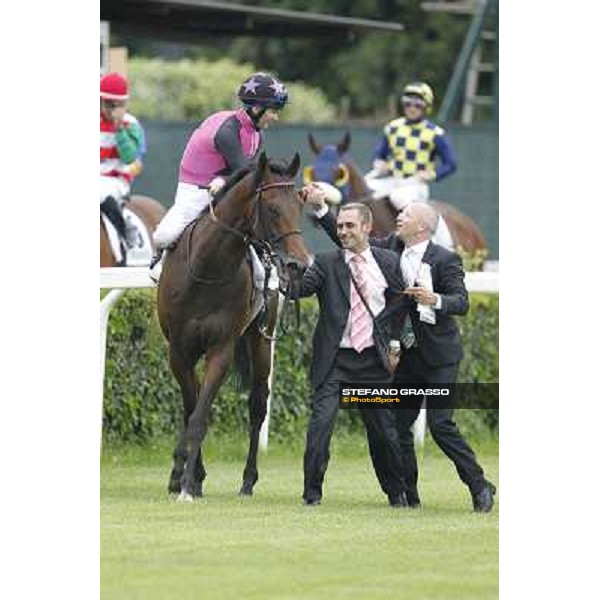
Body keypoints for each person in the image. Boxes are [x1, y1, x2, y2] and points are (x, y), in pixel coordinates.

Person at [308, 197, 496, 512]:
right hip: (406, 357)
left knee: (441, 425)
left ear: (422, 226)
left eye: (406, 215)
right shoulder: (391, 248)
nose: (399, 217)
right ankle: (410, 496)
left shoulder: (446, 259)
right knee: (397, 427)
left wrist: (434, 298)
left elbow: (461, 302)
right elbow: (351, 238)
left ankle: (479, 485)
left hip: (440, 358)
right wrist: (324, 211)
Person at [291, 202, 410, 507]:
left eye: (349, 226)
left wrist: (397, 343)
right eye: (340, 226)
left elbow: (400, 307)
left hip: (373, 363)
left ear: (367, 227)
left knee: (384, 434)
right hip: (335, 364)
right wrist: (282, 272)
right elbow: (299, 288)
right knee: (320, 429)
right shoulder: (327, 263)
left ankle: (397, 494)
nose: (343, 231)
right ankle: (311, 495)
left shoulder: (389, 262)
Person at [149, 72, 320, 276]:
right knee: (163, 236)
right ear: (257, 108)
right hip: (197, 192)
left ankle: (267, 276)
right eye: (273, 111)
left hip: (227, 191)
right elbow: (244, 170)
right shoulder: (227, 131)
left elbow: (245, 173)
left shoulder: (258, 134)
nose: (276, 117)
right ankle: (160, 264)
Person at [371, 82, 457, 210]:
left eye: (418, 105)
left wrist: (432, 174)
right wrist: (379, 162)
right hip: (393, 180)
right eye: (408, 104)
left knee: (399, 198)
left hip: (416, 185)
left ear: (426, 107)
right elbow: (380, 154)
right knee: (363, 190)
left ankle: (408, 229)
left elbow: (451, 164)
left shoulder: (435, 133)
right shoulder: (392, 127)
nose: (412, 108)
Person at [100, 72, 146, 255]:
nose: (113, 110)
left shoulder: (130, 124)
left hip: (116, 180)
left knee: (101, 193)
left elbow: (129, 157)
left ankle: (125, 235)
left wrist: (119, 128)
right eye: (109, 104)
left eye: (118, 105)